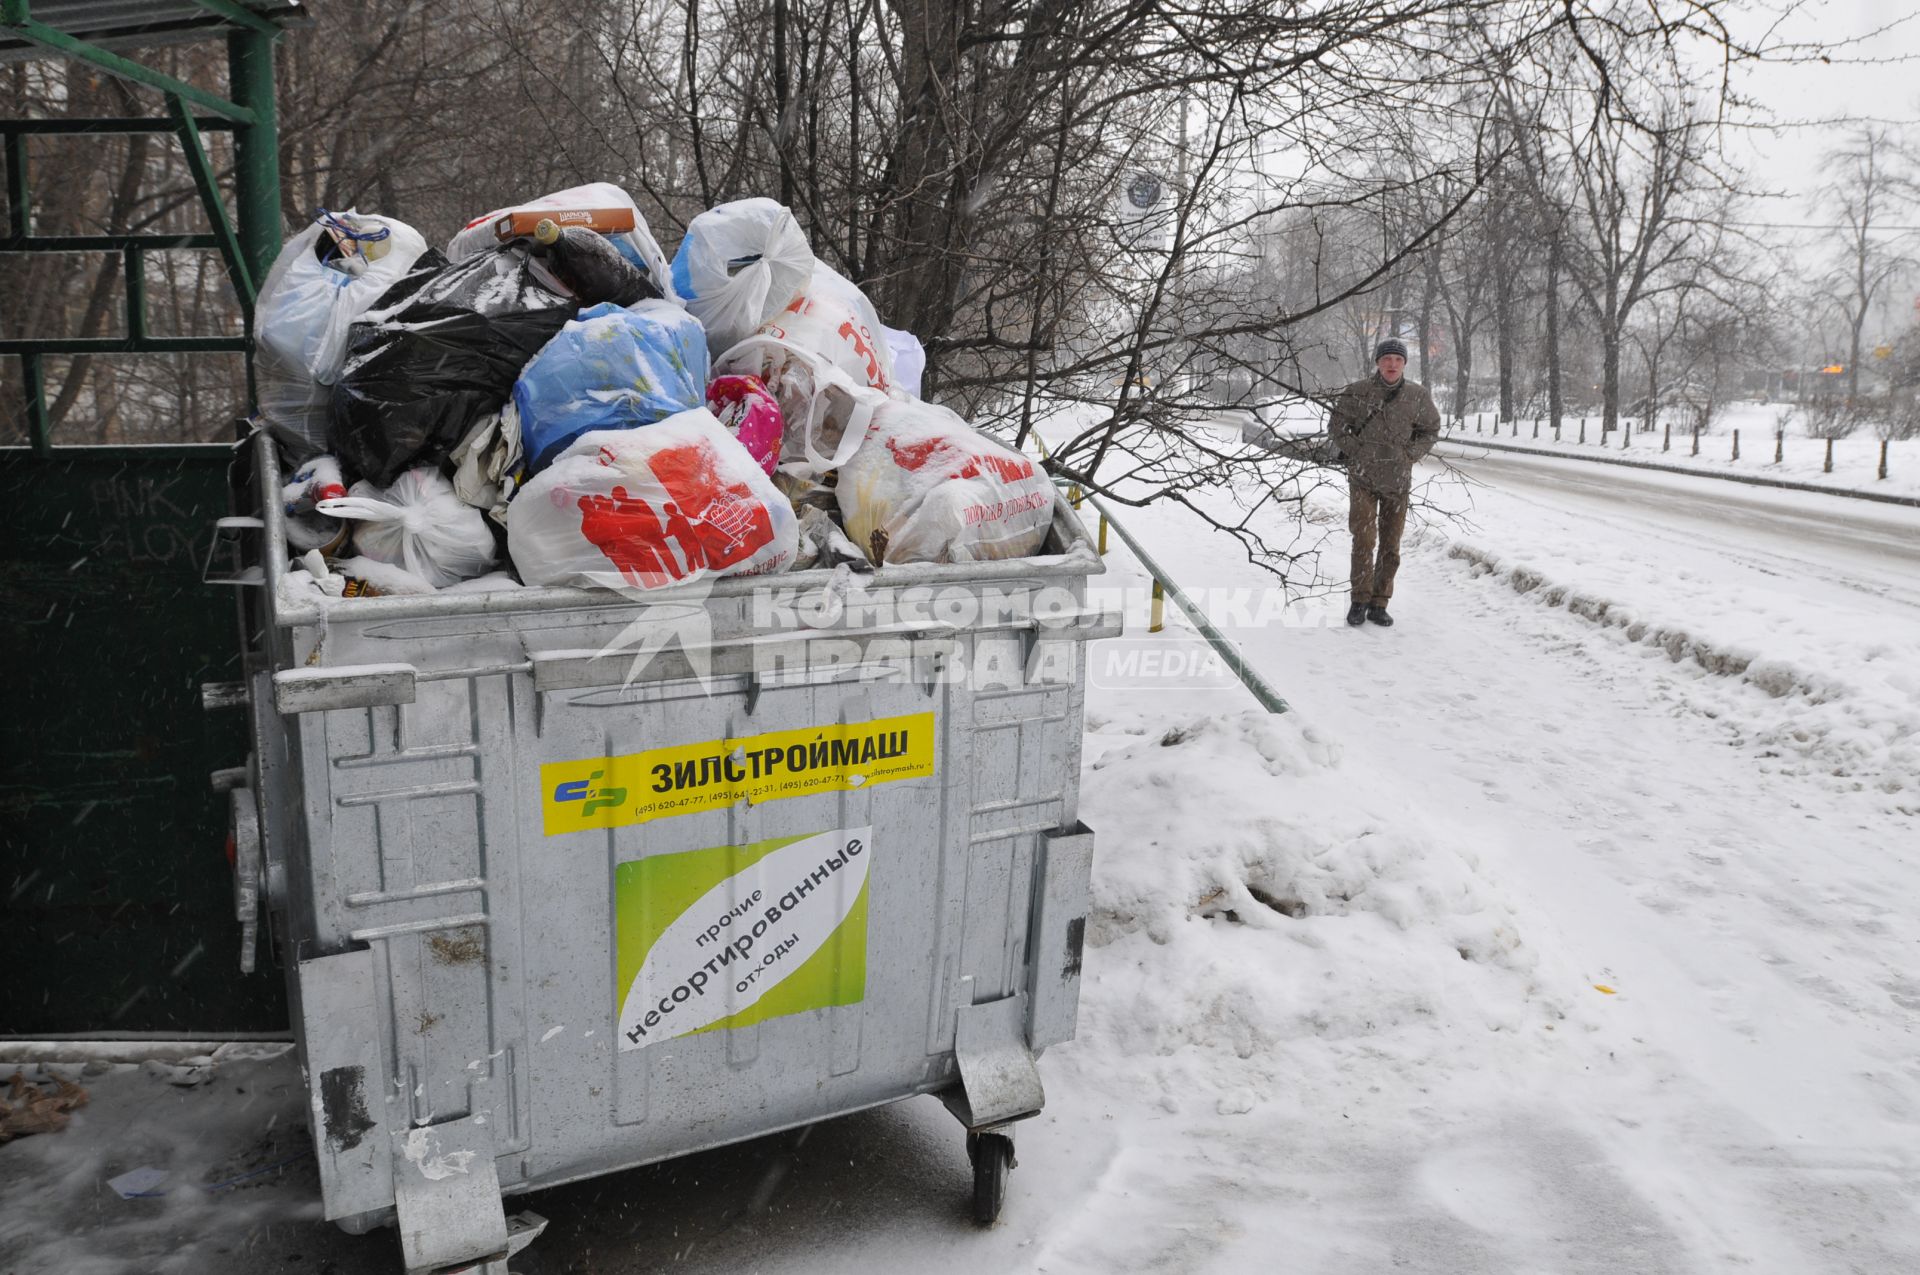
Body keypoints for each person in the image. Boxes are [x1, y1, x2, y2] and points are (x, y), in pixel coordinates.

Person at [1329, 337, 1441, 627]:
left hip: (1397, 481)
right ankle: (1359, 600)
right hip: (1363, 479)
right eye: (1386, 359)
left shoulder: (1417, 396)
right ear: (1377, 362)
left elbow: (1430, 430)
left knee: (1391, 545)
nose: (1392, 365)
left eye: (1398, 360)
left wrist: (1409, 455)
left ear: (1404, 364)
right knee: (1364, 541)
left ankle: (1379, 602)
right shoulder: (1357, 392)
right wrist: (1358, 452)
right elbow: (1337, 427)